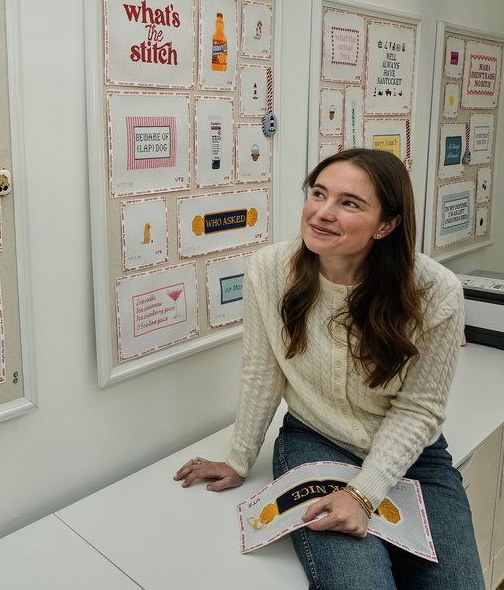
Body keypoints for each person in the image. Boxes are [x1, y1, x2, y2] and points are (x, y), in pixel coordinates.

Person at [174, 149, 484, 589]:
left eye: (349, 203)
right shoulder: (269, 270)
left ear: (387, 225)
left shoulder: (434, 291)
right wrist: (238, 459)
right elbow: (263, 373)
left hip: (413, 455)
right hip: (314, 440)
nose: (322, 213)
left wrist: (363, 493)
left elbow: (419, 409)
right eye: (318, 193)